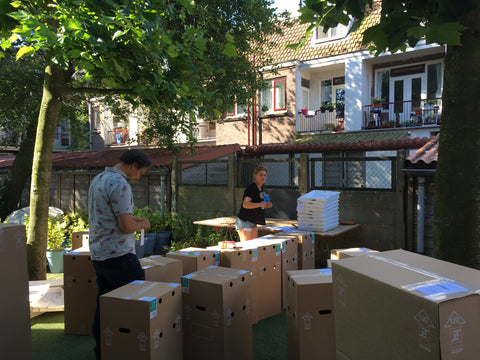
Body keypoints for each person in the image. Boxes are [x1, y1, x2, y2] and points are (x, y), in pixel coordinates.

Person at [88, 149, 152, 360]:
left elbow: (111, 216)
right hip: (120, 255)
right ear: (133, 166)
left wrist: (133, 220)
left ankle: (103, 351)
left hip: (100, 253)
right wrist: (143, 223)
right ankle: (131, 349)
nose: (139, 177)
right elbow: (125, 226)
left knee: (104, 305)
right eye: (140, 172)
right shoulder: (121, 184)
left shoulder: (98, 179)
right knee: (135, 304)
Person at [235, 165, 273, 241]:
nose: (263, 177)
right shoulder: (251, 187)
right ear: (255, 176)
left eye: (265, 175)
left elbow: (257, 204)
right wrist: (260, 204)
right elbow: (245, 204)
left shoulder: (260, 189)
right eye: (261, 175)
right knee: (247, 247)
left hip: (253, 221)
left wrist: (265, 205)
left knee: (254, 247)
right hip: (244, 221)